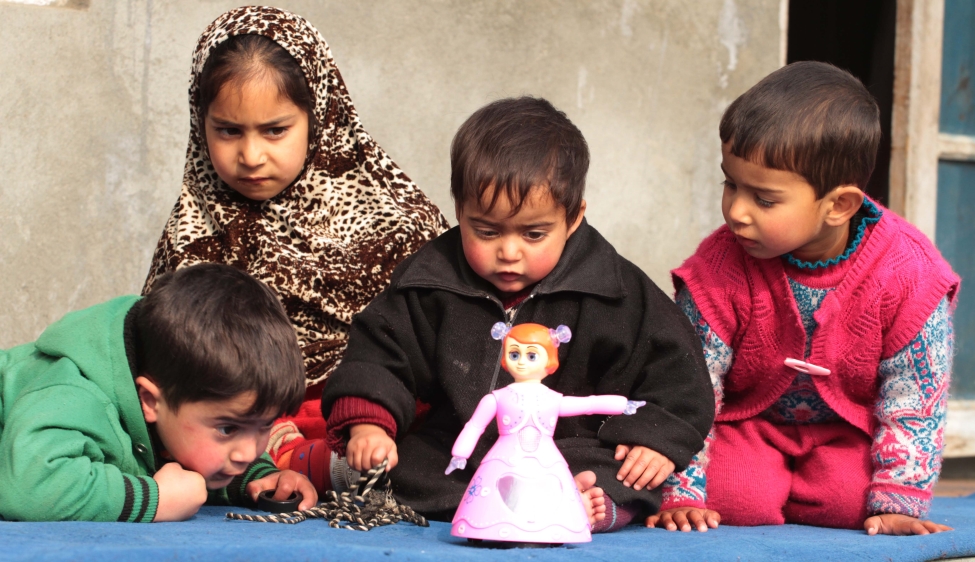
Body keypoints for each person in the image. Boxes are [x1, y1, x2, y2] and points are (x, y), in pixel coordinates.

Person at [322, 96, 715, 530]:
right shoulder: (430, 280)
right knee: (401, 471)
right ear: (459, 212)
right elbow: (379, 353)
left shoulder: (616, 290)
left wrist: (655, 440)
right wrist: (369, 426)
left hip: (574, 447)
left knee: (621, 476)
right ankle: (543, 507)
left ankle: (589, 508)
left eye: (534, 234)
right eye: (486, 231)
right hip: (462, 448)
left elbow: (676, 373)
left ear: (573, 217)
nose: (509, 253)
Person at [142, 6, 449, 492]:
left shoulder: (398, 220)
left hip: (379, 409)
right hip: (256, 426)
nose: (251, 156)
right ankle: (315, 467)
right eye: (227, 130)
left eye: (274, 130)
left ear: (320, 116)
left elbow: (443, 343)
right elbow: (163, 363)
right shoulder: (193, 237)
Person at [648, 61, 960, 536]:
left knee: (851, 507)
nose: (736, 211)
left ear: (839, 205)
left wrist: (899, 496)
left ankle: (827, 489)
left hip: (849, 433)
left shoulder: (910, 272)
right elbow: (691, 379)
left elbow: (917, 394)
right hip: (748, 424)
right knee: (735, 499)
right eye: (730, 184)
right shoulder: (720, 264)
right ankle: (761, 484)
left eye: (764, 199)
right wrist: (684, 491)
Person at [0, 263, 317, 522]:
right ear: (150, 401)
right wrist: (154, 499)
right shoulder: (73, 393)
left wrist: (258, 479)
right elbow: (31, 488)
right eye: (228, 428)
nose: (247, 452)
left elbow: (189, 453)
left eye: (264, 426)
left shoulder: (177, 396)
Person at [446, 322, 646, 543]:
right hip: (504, 457)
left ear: (549, 360)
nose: (521, 361)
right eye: (514, 354)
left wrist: (622, 404)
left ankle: (548, 528)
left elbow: (588, 405)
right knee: (494, 492)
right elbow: (474, 426)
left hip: (545, 458)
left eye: (531, 356)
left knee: (546, 489)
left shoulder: (552, 399)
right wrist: (460, 454)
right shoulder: (496, 398)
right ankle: (483, 529)